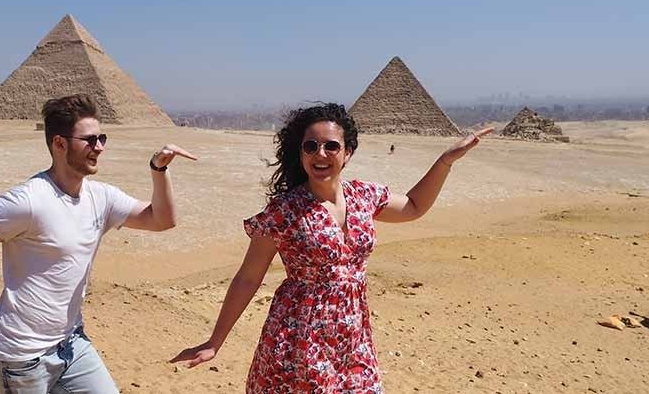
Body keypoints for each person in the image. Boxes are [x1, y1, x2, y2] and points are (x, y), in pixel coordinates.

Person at [172, 103, 491, 393]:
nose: (320, 154)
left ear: (348, 152)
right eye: (310, 146)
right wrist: (215, 341)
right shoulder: (284, 211)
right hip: (300, 337)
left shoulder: (364, 196)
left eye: (331, 146)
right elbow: (248, 277)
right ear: (301, 154)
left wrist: (445, 161)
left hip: (353, 336)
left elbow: (414, 205)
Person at [0, 93, 197, 394]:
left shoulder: (101, 198)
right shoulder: (28, 201)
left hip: (71, 344)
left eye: (101, 138)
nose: (99, 147)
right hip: (20, 357)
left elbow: (162, 220)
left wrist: (158, 169)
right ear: (59, 144)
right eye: (89, 140)